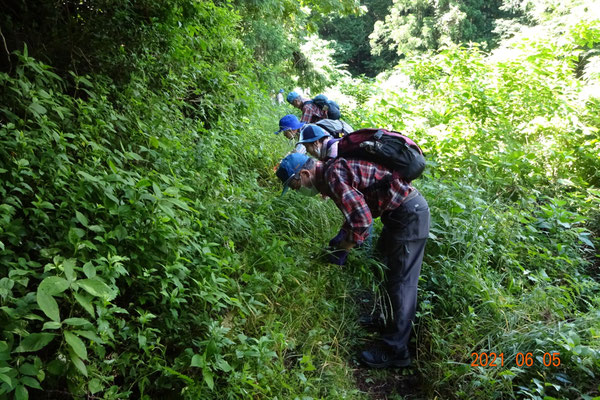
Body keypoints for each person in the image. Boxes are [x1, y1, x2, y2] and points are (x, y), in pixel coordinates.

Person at [275, 152, 430, 368]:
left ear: (304, 173)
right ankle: (385, 321)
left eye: (294, 185)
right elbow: (358, 207)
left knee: (402, 282)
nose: (297, 190)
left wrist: (344, 248)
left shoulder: (333, 176)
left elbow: (362, 221)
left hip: (409, 214)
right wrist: (342, 236)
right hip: (397, 213)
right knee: (385, 267)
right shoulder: (331, 174)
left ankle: (396, 351)